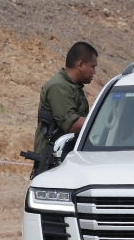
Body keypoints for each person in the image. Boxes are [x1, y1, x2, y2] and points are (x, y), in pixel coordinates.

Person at [31, 41, 97, 175]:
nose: (94, 72)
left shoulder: (73, 87)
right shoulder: (59, 86)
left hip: (66, 158)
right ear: (80, 65)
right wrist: (100, 120)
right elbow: (72, 125)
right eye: (92, 66)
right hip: (53, 161)